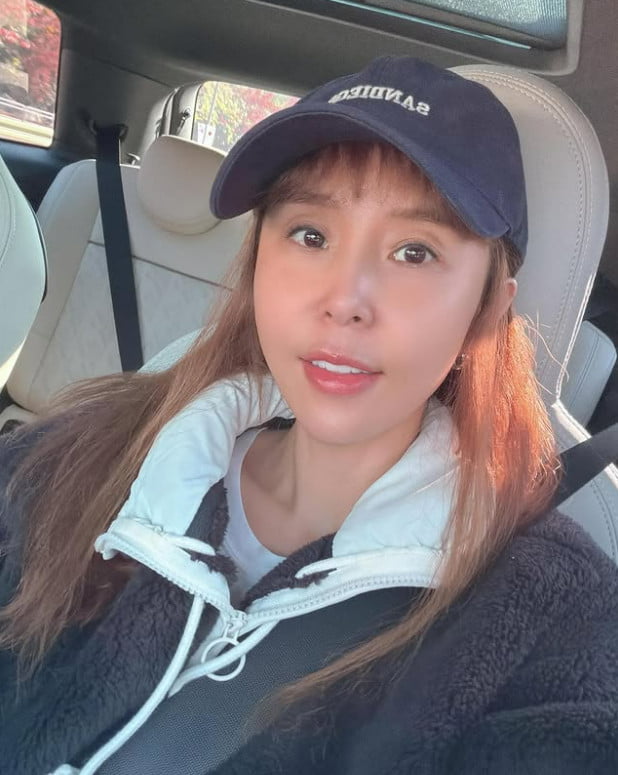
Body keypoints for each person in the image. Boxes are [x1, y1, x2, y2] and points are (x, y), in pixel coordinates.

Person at [1, 56, 617, 775]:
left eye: (414, 251)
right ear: (257, 260)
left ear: (487, 308)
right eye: (311, 235)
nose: (344, 299)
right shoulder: (77, 454)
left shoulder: (552, 616)